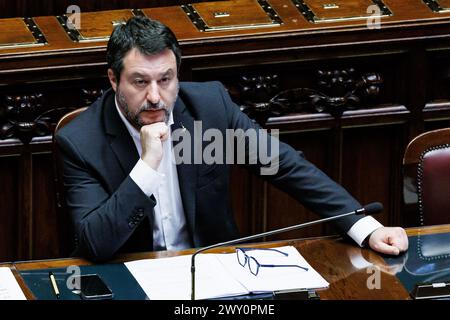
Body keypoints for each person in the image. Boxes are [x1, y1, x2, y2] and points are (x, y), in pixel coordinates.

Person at [55, 16, 408, 262]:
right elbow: (96, 244)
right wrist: (147, 164)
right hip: (128, 279)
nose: (155, 97)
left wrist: (363, 225)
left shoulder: (208, 108)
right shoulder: (81, 141)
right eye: (139, 82)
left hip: (212, 274)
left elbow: (283, 164)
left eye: (165, 80)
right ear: (113, 80)